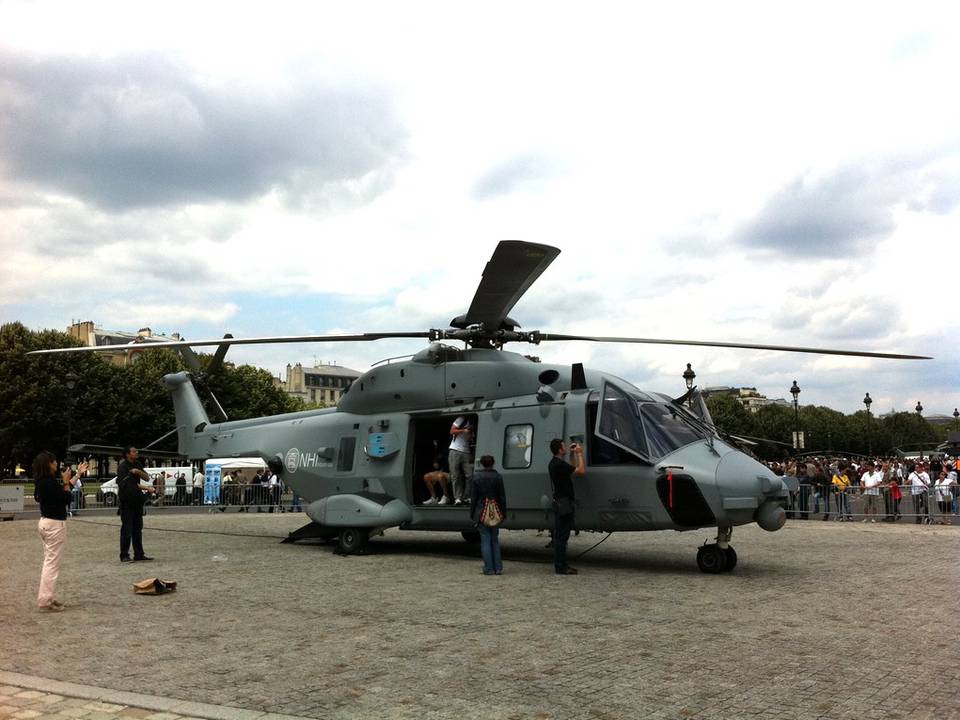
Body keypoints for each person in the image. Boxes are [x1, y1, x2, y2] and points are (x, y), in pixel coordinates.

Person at [34, 452, 88, 611]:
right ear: (48, 464)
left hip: (46, 523)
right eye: (54, 461)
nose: (57, 464)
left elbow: (64, 490)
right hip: (54, 525)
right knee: (51, 565)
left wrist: (77, 475)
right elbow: (66, 497)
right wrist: (66, 481)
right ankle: (45, 601)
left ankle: (47, 597)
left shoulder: (43, 481)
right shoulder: (48, 483)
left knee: (49, 562)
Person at [549, 438, 585, 575]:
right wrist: (580, 453)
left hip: (559, 502)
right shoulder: (559, 465)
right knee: (562, 537)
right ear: (559, 449)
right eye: (563, 447)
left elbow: (569, 468)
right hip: (565, 503)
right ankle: (561, 566)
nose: (565, 448)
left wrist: (571, 454)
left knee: (560, 536)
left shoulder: (554, 463)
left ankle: (560, 564)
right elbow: (581, 470)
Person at [471, 455, 507, 575]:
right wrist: (503, 513)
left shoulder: (477, 477)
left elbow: (474, 498)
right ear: (493, 463)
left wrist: (472, 514)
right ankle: (498, 567)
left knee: (485, 540)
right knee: (494, 540)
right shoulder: (498, 477)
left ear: (481, 464)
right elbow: (502, 497)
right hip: (495, 511)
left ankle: (489, 568)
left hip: (481, 511)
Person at [117, 446, 155, 562]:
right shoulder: (122, 467)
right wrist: (145, 489)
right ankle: (124, 555)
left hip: (137, 501)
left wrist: (138, 471)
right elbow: (127, 484)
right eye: (134, 451)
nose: (137, 452)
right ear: (128, 454)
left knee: (137, 529)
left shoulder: (137, 464)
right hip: (127, 501)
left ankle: (139, 554)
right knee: (127, 529)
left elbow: (147, 477)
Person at [448, 416, 475, 505]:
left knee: (470, 475)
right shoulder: (461, 419)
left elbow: (470, 439)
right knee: (455, 475)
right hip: (455, 450)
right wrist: (464, 430)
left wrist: (471, 435)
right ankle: (457, 498)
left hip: (466, 451)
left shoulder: (473, 423)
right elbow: (452, 431)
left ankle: (466, 497)